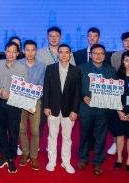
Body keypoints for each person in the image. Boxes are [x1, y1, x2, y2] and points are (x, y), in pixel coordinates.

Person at [77, 44, 116, 175]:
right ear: (90, 55)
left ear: (105, 55)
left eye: (101, 53)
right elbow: (76, 87)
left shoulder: (111, 70)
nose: (98, 56)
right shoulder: (82, 68)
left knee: (101, 136)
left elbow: (115, 90)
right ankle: (83, 158)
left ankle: (98, 161)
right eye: (95, 53)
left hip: (103, 109)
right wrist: (83, 96)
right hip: (86, 108)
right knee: (84, 134)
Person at [43, 44, 80, 174]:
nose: (64, 55)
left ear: (70, 54)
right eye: (61, 52)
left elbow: (77, 93)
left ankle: (66, 162)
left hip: (69, 111)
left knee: (67, 138)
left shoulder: (76, 70)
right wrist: (46, 106)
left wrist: (75, 110)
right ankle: (51, 161)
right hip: (52, 108)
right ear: (57, 54)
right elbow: (46, 88)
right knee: (52, 136)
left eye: (66, 52)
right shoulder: (50, 68)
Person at [0, 42, 28, 173]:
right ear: (5, 51)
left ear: (18, 54)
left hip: (14, 103)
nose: (11, 54)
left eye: (14, 52)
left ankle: (11, 157)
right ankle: (3, 155)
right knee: (1, 130)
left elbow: (24, 89)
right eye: (9, 51)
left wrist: (10, 94)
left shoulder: (22, 68)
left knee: (13, 131)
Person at [18, 39, 45, 170]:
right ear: (23, 50)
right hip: (19, 101)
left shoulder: (41, 66)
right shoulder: (17, 64)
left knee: (35, 130)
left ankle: (34, 156)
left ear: (36, 51)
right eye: (27, 50)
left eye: (33, 50)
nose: (30, 53)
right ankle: (25, 153)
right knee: (21, 129)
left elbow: (42, 86)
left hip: (35, 101)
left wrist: (32, 98)